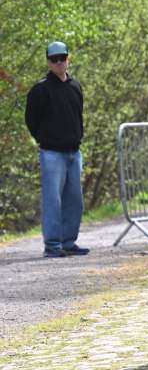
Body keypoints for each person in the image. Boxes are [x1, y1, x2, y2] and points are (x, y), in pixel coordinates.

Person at [25, 42, 88, 258]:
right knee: (53, 201)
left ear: (68, 58)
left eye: (62, 58)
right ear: (48, 62)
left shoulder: (75, 86)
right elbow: (31, 120)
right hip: (51, 153)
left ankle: (68, 242)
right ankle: (52, 245)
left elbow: (78, 115)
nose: (59, 62)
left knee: (75, 201)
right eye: (54, 59)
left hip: (74, 152)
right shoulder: (40, 90)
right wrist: (44, 139)